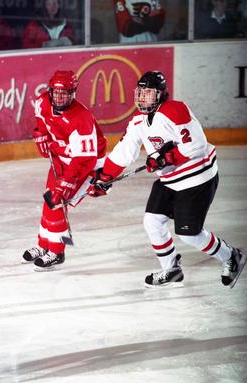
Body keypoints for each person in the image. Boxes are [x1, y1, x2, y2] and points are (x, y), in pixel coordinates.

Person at [88, 70, 247, 288]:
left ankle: (231, 256)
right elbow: (124, 152)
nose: (143, 97)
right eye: (140, 92)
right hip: (169, 180)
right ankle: (171, 269)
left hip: (196, 178)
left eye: (149, 93)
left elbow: (197, 144)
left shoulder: (175, 109)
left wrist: (166, 158)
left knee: (190, 235)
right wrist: (104, 177)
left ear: (161, 94)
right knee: (152, 222)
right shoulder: (137, 121)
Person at [22, 70, 107, 271]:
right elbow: (42, 124)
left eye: (65, 93)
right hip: (61, 159)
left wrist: (66, 182)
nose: (60, 98)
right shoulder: (42, 102)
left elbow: (85, 159)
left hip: (84, 166)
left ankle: (57, 252)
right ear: (50, 91)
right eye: (56, 93)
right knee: (49, 202)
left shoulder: (81, 118)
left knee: (57, 204)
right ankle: (44, 245)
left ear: (73, 93)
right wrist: (40, 135)